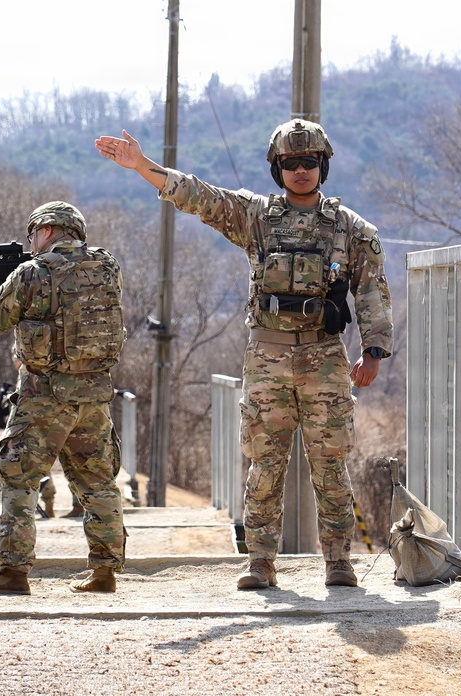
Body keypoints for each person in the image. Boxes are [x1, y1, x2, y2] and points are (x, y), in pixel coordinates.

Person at [94, 119, 394, 589]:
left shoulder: (351, 229)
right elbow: (199, 196)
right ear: (277, 168)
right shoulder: (255, 217)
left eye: (309, 161)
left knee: (330, 465)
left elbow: (372, 291)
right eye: (291, 163)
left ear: (323, 166)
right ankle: (260, 562)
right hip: (268, 358)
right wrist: (142, 165)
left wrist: (373, 351)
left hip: (324, 359)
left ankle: (339, 561)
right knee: (264, 465)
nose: (300, 170)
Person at [0, 201, 128, 595]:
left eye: (33, 234)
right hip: (94, 396)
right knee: (98, 483)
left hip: (44, 398)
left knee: (18, 481)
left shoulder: (32, 273)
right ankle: (105, 572)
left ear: (48, 230)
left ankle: (12, 573)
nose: (32, 242)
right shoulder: (108, 266)